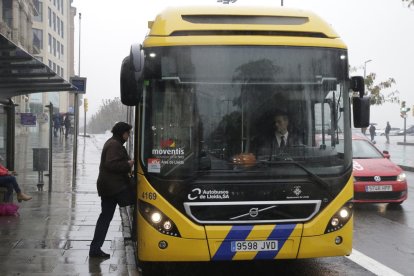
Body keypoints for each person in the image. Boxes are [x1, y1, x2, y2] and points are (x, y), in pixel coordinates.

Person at [89, 122, 134, 258]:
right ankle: (95, 248)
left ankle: (95, 248)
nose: (129, 135)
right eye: (128, 133)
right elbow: (111, 164)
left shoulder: (113, 142)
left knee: (105, 217)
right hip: (113, 187)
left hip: (111, 186)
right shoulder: (114, 144)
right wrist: (128, 164)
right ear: (122, 133)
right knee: (138, 199)